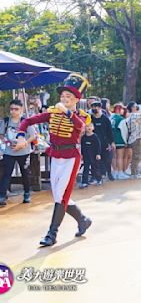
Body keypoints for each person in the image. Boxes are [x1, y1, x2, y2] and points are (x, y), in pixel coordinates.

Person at [15, 73, 93, 247]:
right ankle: (83, 219)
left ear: (75, 100)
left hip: (71, 158)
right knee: (59, 195)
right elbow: (27, 121)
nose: (64, 99)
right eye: (63, 96)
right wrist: (21, 135)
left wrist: (66, 111)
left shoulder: (81, 116)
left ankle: (52, 234)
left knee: (61, 196)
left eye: (68, 96)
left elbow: (80, 127)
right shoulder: (52, 113)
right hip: (55, 157)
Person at [0, 100, 37, 206]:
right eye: (11, 109)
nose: (13, 111)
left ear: (21, 110)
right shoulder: (6, 121)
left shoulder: (25, 122)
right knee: (6, 174)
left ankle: (26, 193)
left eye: (16, 109)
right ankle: (2, 196)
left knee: (25, 174)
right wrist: (7, 141)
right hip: (9, 152)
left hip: (24, 152)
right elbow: (1, 134)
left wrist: (24, 143)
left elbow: (33, 136)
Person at [90, 100, 115, 181]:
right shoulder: (90, 118)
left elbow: (110, 131)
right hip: (94, 143)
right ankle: (95, 176)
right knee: (94, 161)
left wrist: (112, 142)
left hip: (104, 142)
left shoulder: (105, 119)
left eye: (96, 107)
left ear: (100, 108)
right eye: (93, 107)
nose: (94, 108)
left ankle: (109, 173)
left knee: (107, 160)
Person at [110, 104, 130, 180]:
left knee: (114, 157)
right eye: (122, 109)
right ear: (118, 109)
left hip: (112, 140)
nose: (123, 111)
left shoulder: (111, 117)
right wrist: (125, 141)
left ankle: (115, 172)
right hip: (120, 139)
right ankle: (120, 172)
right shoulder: (121, 119)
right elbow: (124, 131)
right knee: (120, 157)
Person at [80, 123, 102, 188]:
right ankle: (84, 182)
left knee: (95, 168)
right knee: (86, 169)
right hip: (86, 155)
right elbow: (82, 147)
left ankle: (98, 179)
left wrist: (98, 154)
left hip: (94, 155)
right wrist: (82, 154)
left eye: (90, 126)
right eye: (87, 126)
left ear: (93, 128)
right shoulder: (83, 137)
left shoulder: (95, 136)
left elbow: (98, 146)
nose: (89, 127)